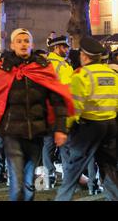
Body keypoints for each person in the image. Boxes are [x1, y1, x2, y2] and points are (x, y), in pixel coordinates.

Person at [0, 28, 74, 201]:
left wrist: (61, 128)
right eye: (19, 41)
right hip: (11, 133)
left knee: (29, 184)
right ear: (12, 45)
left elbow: (57, 100)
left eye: (26, 41)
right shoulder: (2, 68)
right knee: (17, 182)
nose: (23, 44)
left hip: (36, 133)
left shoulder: (42, 67)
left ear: (31, 44)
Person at [55, 36, 118, 201]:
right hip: (111, 125)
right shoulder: (112, 73)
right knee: (109, 168)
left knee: (73, 168)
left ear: (84, 56)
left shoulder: (81, 74)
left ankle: (62, 198)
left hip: (89, 127)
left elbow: (74, 107)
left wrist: (65, 128)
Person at [43, 35, 74, 188]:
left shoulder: (45, 63)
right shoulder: (62, 65)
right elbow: (69, 89)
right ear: (56, 47)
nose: (67, 49)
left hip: (47, 110)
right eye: (64, 46)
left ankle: (48, 177)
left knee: (48, 145)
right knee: (65, 145)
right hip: (61, 109)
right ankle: (68, 178)